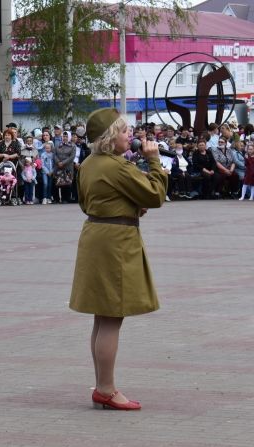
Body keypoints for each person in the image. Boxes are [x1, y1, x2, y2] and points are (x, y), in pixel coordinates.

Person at [69, 108, 167, 411]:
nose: (131, 135)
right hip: (116, 243)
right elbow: (155, 196)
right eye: (125, 130)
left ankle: (102, 384)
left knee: (102, 316)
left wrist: (126, 207)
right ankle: (107, 389)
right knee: (113, 315)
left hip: (96, 235)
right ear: (111, 137)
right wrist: (154, 160)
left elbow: (88, 203)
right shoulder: (117, 167)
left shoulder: (88, 164)